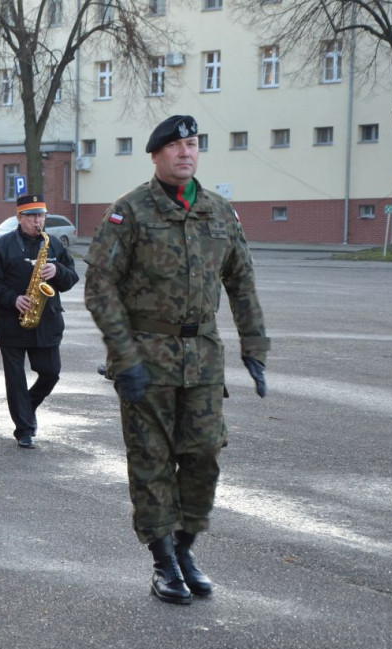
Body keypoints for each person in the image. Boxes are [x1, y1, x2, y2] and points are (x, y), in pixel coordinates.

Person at [84, 114, 270, 605]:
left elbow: (242, 284)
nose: (186, 153)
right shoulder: (129, 212)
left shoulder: (219, 212)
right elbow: (100, 288)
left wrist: (255, 348)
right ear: (156, 155)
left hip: (203, 360)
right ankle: (163, 561)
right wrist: (123, 357)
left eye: (192, 144)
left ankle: (186, 547)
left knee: (204, 455)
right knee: (151, 463)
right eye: (176, 146)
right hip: (146, 359)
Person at [0, 194, 79, 449]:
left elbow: (72, 278)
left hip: (48, 321)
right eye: (32, 216)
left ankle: (28, 405)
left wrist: (58, 271)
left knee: (51, 373)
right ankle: (24, 428)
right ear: (19, 218)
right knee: (15, 378)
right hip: (13, 322)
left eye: (41, 216)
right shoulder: (3, 246)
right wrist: (13, 299)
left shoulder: (54, 244)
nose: (37, 221)